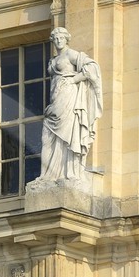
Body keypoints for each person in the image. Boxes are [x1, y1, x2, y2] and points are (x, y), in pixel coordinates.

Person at [36, 28, 103, 184]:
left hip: (68, 98)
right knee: (47, 138)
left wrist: (74, 80)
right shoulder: (54, 59)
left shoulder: (70, 54)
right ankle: (46, 175)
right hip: (55, 101)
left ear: (67, 39)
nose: (58, 40)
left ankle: (69, 173)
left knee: (68, 135)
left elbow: (91, 67)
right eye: (56, 38)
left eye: (61, 38)